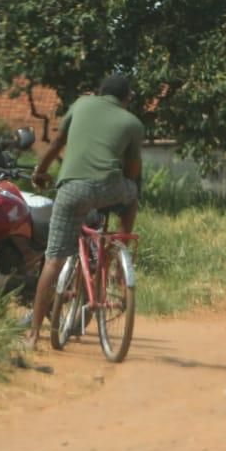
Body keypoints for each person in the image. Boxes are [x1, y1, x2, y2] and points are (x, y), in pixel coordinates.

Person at [24, 73, 144, 349]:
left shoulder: (79, 105)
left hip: (71, 191)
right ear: (127, 98)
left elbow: (56, 144)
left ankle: (32, 336)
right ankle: (118, 258)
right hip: (109, 189)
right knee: (132, 193)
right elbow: (133, 171)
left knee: (53, 261)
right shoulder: (132, 123)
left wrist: (39, 172)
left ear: (99, 92)